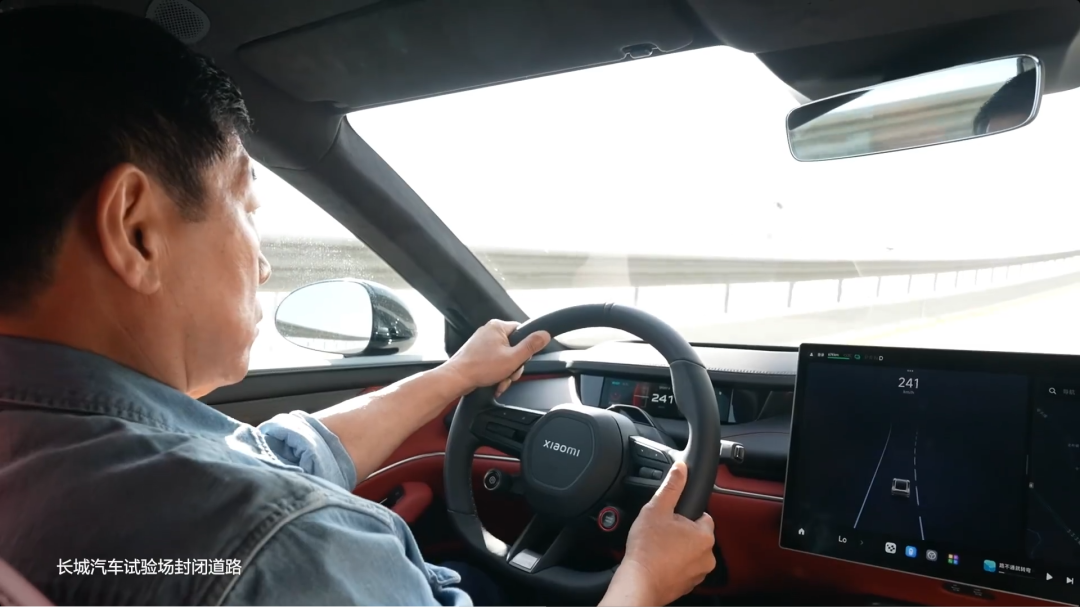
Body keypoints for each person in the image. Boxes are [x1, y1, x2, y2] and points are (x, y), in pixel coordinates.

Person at [0, 5, 716, 606]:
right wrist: (642, 582)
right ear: (136, 230)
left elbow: (271, 456)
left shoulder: (62, 458)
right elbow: (260, 508)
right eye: (246, 206)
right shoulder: (284, 548)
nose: (263, 261)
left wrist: (456, 376)